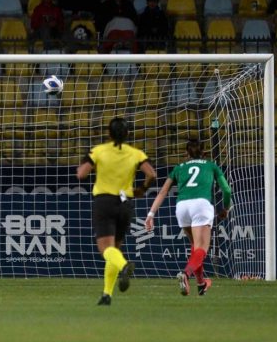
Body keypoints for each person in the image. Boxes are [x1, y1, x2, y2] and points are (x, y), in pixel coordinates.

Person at [76, 117, 157, 306]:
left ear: (109, 133)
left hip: (105, 201)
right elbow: (151, 174)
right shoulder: (135, 153)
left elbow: (81, 174)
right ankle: (106, 295)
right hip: (125, 203)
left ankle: (124, 266)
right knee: (115, 249)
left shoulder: (99, 151)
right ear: (127, 133)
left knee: (106, 250)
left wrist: (88, 165)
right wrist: (142, 189)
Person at [145, 139, 232, 296]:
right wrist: (225, 208)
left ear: (186, 153)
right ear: (204, 153)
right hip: (201, 205)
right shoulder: (211, 165)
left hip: (182, 206)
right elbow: (226, 190)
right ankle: (185, 274)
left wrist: (151, 214)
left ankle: (201, 283)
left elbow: (163, 191)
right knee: (202, 249)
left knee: (194, 246)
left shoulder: (179, 168)